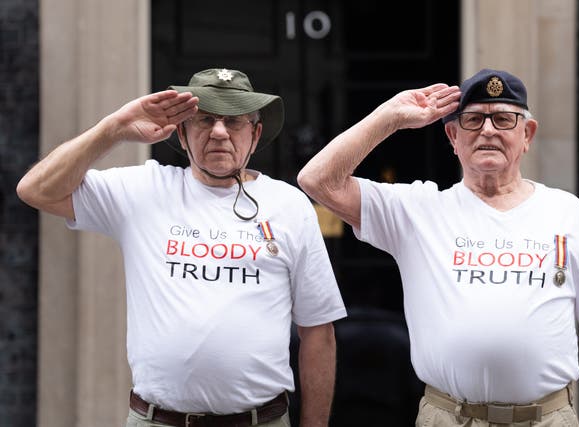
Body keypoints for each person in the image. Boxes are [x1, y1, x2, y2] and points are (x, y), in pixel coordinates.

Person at [17, 67, 347, 427]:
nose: (219, 132)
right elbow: (36, 190)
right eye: (204, 120)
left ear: (255, 135)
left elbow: (318, 331)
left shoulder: (288, 205)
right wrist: (112, 129)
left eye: (233, 121)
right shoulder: (144, 189)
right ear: (183, 133)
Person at [297, 69, 579, 426]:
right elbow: (317, 180)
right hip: (448, 418)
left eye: (503, 118)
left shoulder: (569, 214)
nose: (487, 130)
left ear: (526, 134)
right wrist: (390, 117)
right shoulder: (419, 210)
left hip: (546, 419)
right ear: (452, 136)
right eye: (473, 120)